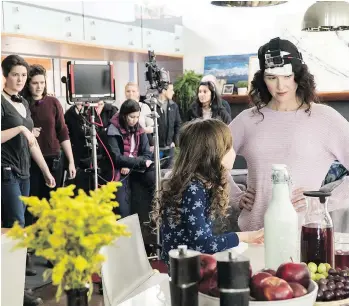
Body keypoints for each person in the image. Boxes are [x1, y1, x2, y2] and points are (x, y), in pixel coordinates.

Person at [228, 37, 349, 232]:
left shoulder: (325, 119)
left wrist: (325, 201)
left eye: (287, 76)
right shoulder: (247, 120)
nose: (280, 85)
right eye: (271, 77)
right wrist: (234, 196)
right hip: (253, 235)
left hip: (305, 235)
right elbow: (208, 160)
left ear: (299, 75)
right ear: (263, 79)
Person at [152, 119, 264, 264]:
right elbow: (203, 244)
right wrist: (245, 237)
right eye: (229, 147)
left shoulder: (198, 184)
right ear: (214, 154)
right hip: (184, 275)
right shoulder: (194, 189)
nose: (234, 152)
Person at [1, 55, 55, 306]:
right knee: (16, 227)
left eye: (23, 75)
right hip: (6, 170)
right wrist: (22, 129)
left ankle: (13, 282)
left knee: (18, 230)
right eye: (15, 75)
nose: (21, 79)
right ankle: (16, 291)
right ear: (6, 76)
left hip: (24, 172)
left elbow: (31, 144)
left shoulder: (22, 101)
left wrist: (45, 171)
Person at [21, 64, 76, 204]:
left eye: (42, 82)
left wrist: (71, 161)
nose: (39, 86)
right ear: (28, 84)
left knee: (53, 204)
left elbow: (63, 132)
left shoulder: (53, 102)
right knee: (33, 205)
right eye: (35, 83)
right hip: (30, 161)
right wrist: (29, 132)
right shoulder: (22, 104)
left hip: (54, 160)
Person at [107, 99, 154, 218]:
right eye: (132, 117)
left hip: (136, 169)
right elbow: (116, 158)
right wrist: (139, 162)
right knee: (123, 210)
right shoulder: (113, 129)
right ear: (124, 115)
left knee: (154, 182)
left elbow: (147, 153)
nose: (135, 120)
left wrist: (130, 164)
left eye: (137, 117)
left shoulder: (139, 128)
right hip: (118, 171)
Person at [156, 82, 182, 169]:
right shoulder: (152, 105)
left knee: (168, 173)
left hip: (169, 147)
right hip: (156, 148)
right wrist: (151, 144)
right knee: (155, 172)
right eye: (171, 90)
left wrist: (175, 141)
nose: (173, 92)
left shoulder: (174, 106)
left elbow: (178, 124)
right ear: (163, 91)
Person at [124, 82, 154, 150]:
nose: (131, 93)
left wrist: (142, 130)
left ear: (138, 93)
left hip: (143, 145)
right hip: (127, 146)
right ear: (125, 93)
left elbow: (152, 127)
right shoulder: (121, 108)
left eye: (133, 91)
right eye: (128, 91)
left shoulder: (144, 107)